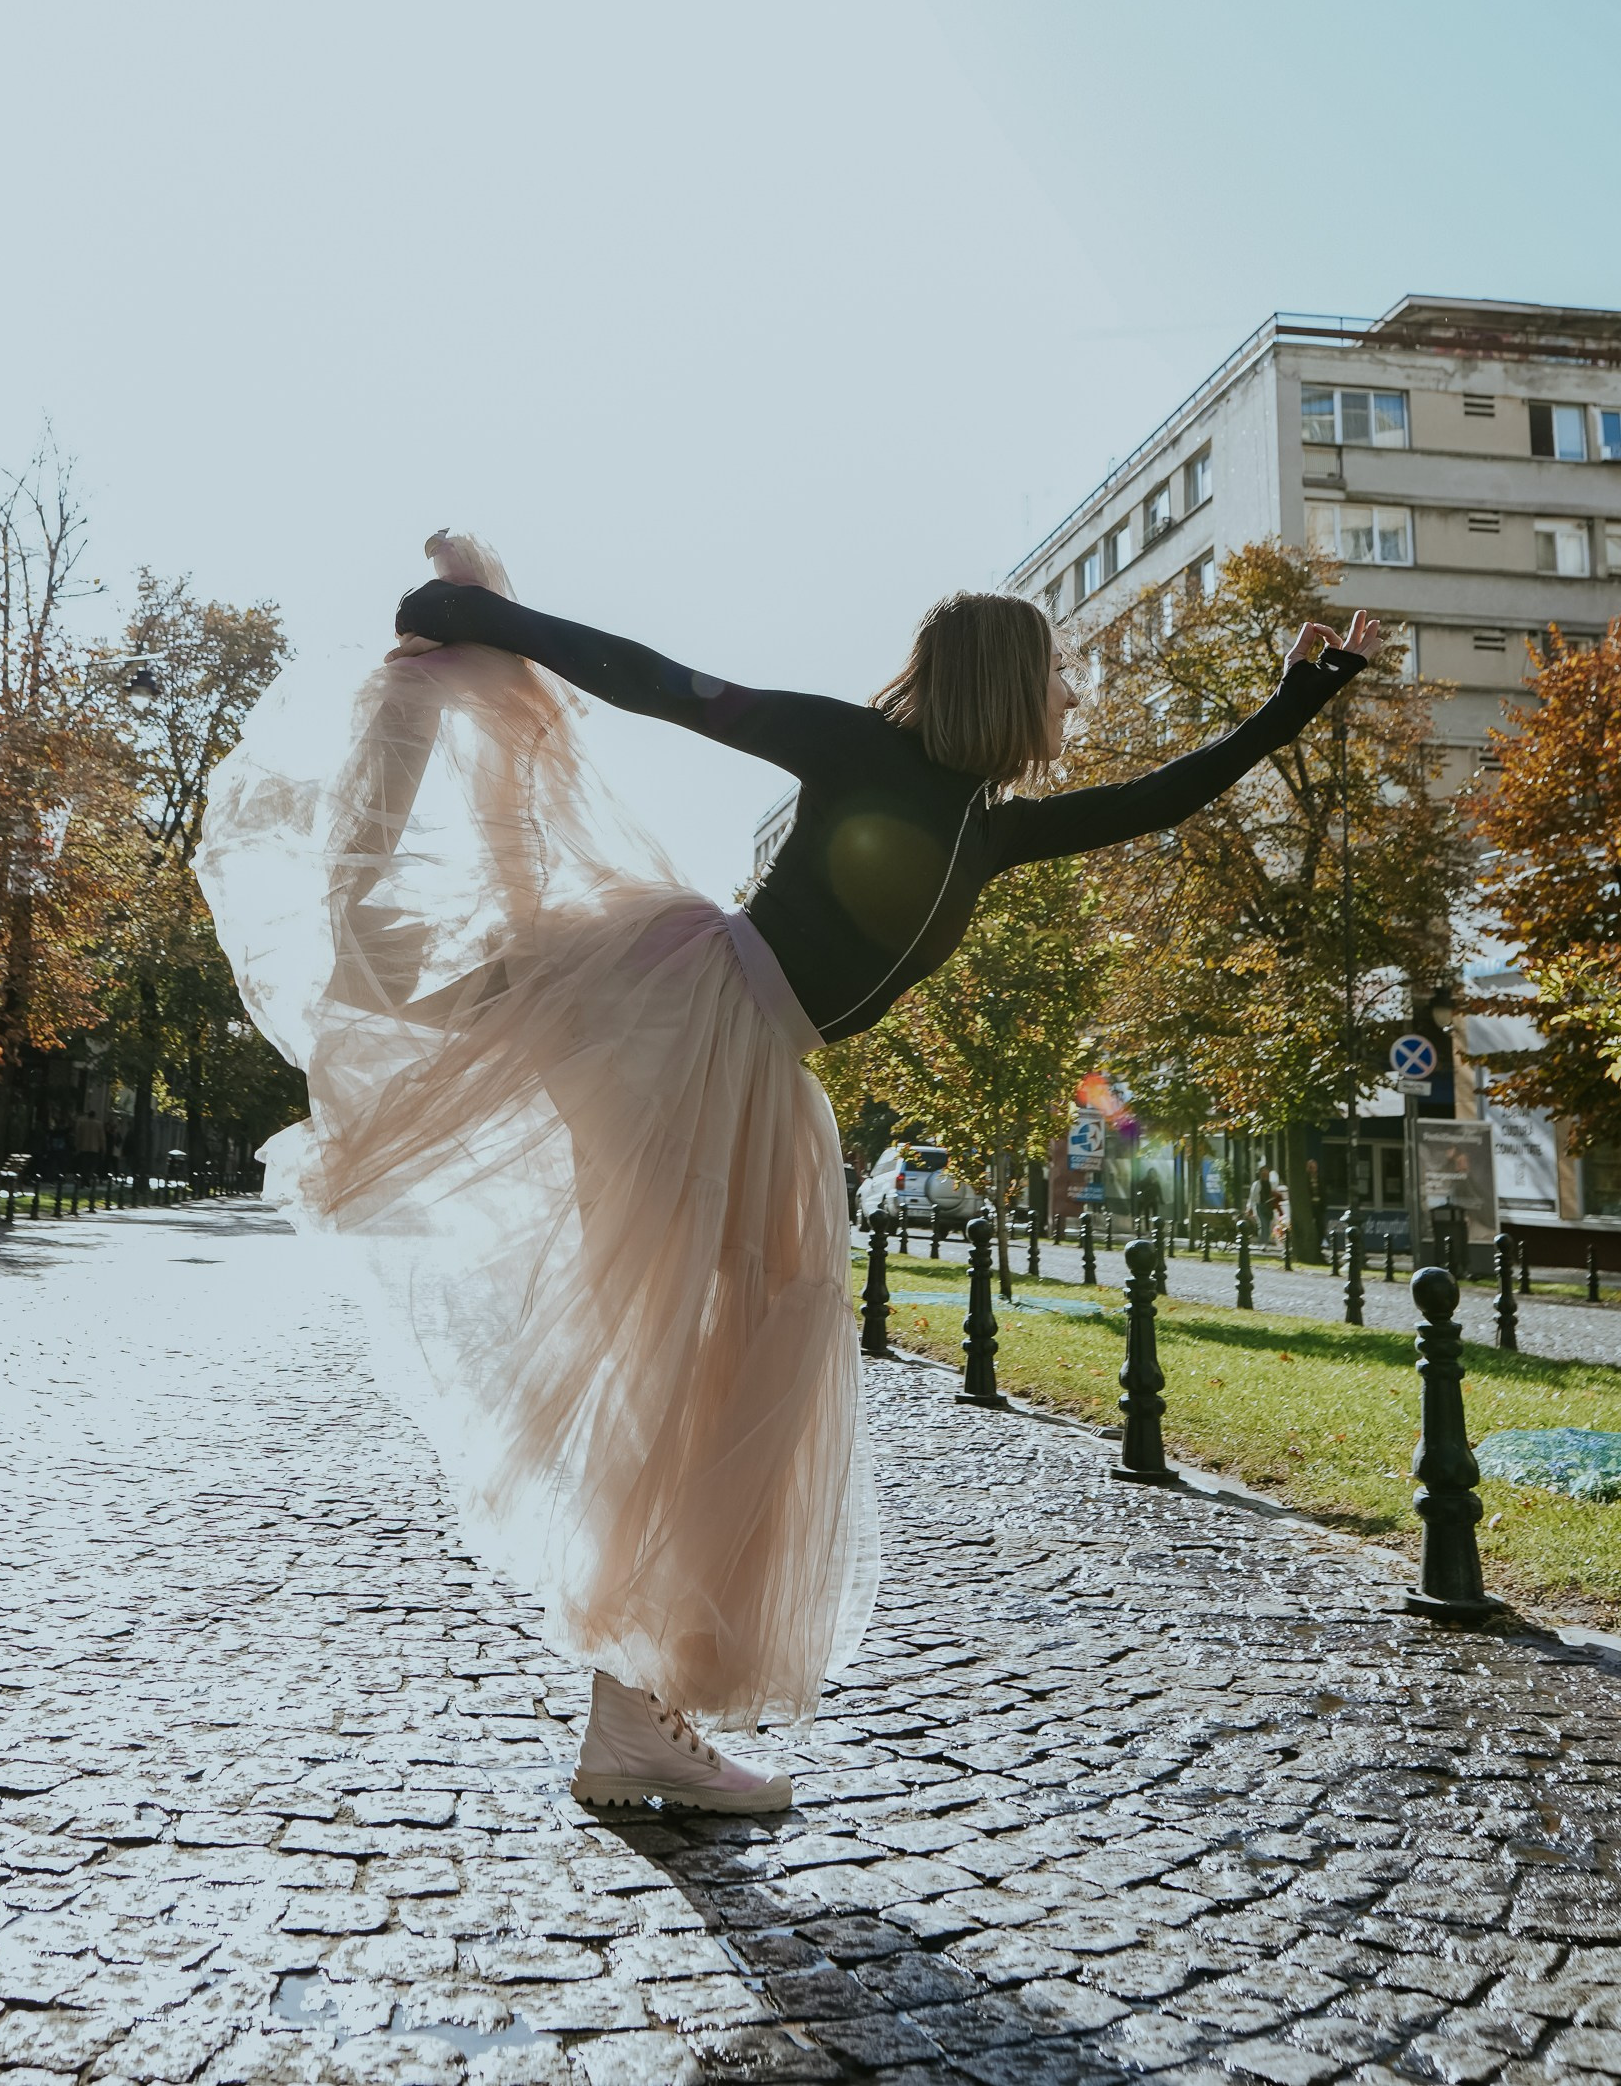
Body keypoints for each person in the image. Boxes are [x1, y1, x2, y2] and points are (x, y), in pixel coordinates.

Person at [197, 531, 1376, 1815]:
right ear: (1001, 682)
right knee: (674, 1366)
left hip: (744, 1065)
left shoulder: (992, 831)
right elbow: (659, 679)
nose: (1071, 700)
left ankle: (630, 1717)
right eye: (1056, 678)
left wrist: (1293, 703)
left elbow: (1158, 798)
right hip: (684, 1032)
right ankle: (631, 1712)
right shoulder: (859, 752)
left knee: (707, 1372)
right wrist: (483, 618)